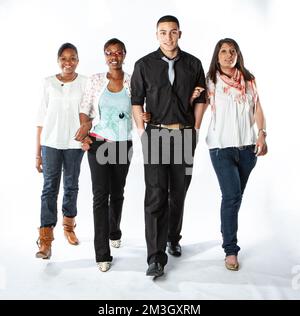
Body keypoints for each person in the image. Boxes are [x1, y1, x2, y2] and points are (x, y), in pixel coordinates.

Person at [131, 15, 206, 278]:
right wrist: (143, 132)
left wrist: (194, 129)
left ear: (180, 34)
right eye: (163, 32)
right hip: (156, 135)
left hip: (184, 135)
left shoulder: (194, 64)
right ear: (156, 35)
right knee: (155, 194)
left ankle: (173, 236)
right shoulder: (143, 65)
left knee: (179, 192)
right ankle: (155, 257)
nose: (168, 37)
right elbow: (137, 101)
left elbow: (201, 98)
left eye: (173, 32)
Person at [75, 38, 150, 272]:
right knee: (100, 196)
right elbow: (84, 110)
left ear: (124, 54)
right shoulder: (96, 80)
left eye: (118, 52)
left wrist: (145, 118)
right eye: (109, 53)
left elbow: (139, 110)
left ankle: (114, 230)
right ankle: (102, 254)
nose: (113, 56)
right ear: (104, 56)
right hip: (99, 144)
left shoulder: (133, 81)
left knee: (117, 193)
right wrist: (86, 135)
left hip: (122, 145)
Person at [204, 38, 267, 271]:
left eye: (232, 51)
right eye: (223, 51)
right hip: (221, 148)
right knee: (231, 197)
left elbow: (258, 108)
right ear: (217, 55)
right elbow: (197, 106)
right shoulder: (210, 80)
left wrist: (262, 133)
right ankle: (230, 249)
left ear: (238, 54)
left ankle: (226, 227)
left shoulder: (249, 80)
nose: (228, 55)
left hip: (248, 149)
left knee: (235, 198)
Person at [35, 43, 87, 259]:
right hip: (50, 143)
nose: (68, 62)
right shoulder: (48, 83)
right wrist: (37, 152)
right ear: (58, 60)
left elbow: (90, 113)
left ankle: (69, 226)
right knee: (49, 188)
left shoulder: (84, 83)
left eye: (73, 58)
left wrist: (87, 137)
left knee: (71, 185)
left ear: (77, 60)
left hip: (75, 144)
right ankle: (45, 238)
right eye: (64, 58)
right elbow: (40, 119)